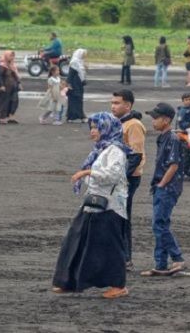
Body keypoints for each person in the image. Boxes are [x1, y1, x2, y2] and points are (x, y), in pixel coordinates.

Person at [52, 112, 131, 299]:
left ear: (106, 129)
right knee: (76, 241)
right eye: (92, 128)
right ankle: (69, 281)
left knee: (110, 247)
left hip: (110, 207)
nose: (93, 132)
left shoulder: (116, 151)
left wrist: (87, 172)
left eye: (96, 128)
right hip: (94, 204)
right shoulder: (101, 149)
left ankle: (118, 286)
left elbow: (110, 176)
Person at [142, 103, 187, 277]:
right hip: (162, 186)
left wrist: (161, 184)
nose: (153, 121)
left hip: (168, 187)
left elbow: (173, 165)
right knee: (160, 224)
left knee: (159, 224)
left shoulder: (172, 139)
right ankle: (160, 264)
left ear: (166, 120)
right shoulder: (163, 137)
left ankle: (177, 258)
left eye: (156, 118)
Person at [110, 89, 146, 271]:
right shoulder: (120, 122)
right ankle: (120, 257)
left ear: (128, 105)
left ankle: (125, 259)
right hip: (120, 177)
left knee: (122, 218)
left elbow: (136, 156)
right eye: (112, 103)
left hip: (128, 178)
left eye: (117, 103)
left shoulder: (133, 125)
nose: (113, 106)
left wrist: (118, 177)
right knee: (116, 217)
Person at [0, 49, 21, 124]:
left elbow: (15, 76)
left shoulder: (12, 65)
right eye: (10, 56)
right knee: (4, 102)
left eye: (13, 56)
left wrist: (19, 83)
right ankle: (2, 117)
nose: (12, 57)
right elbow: (0, 76)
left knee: (14, 101)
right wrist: (2, 85)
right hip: (5, 87)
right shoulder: (2, 65)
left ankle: (11, 116)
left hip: (13, 87)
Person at [66, 49, 87, 123]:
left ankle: (79, 116)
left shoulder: (80, 62)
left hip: (79, 84)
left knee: (79, 100)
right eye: (83, 54)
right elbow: (70, 74)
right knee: (74, 100)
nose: (84, 56)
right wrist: (68, 84)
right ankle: (72, 117)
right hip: (74, 84)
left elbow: (82, 73)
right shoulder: (74, 62)